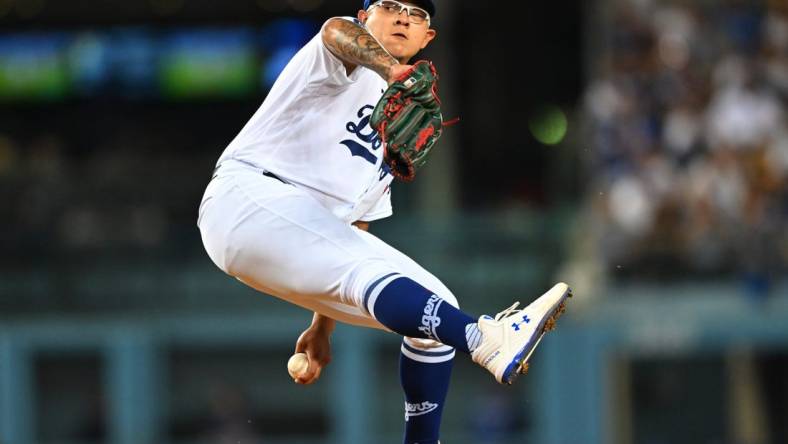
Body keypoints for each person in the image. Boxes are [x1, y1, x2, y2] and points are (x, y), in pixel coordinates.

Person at [197, 1, 572, 443]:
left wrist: (322, 325)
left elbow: (352, 229)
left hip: (300, 227)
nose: (402, 18)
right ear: (365, 17)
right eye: (390, 6)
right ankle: (482, 337)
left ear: (427, 38)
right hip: (245, 199)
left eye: (416, 14)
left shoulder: (400, 114)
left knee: (435, 309)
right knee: (435, 313)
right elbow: (336, 31)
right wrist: (389, 69)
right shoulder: (341, 57)